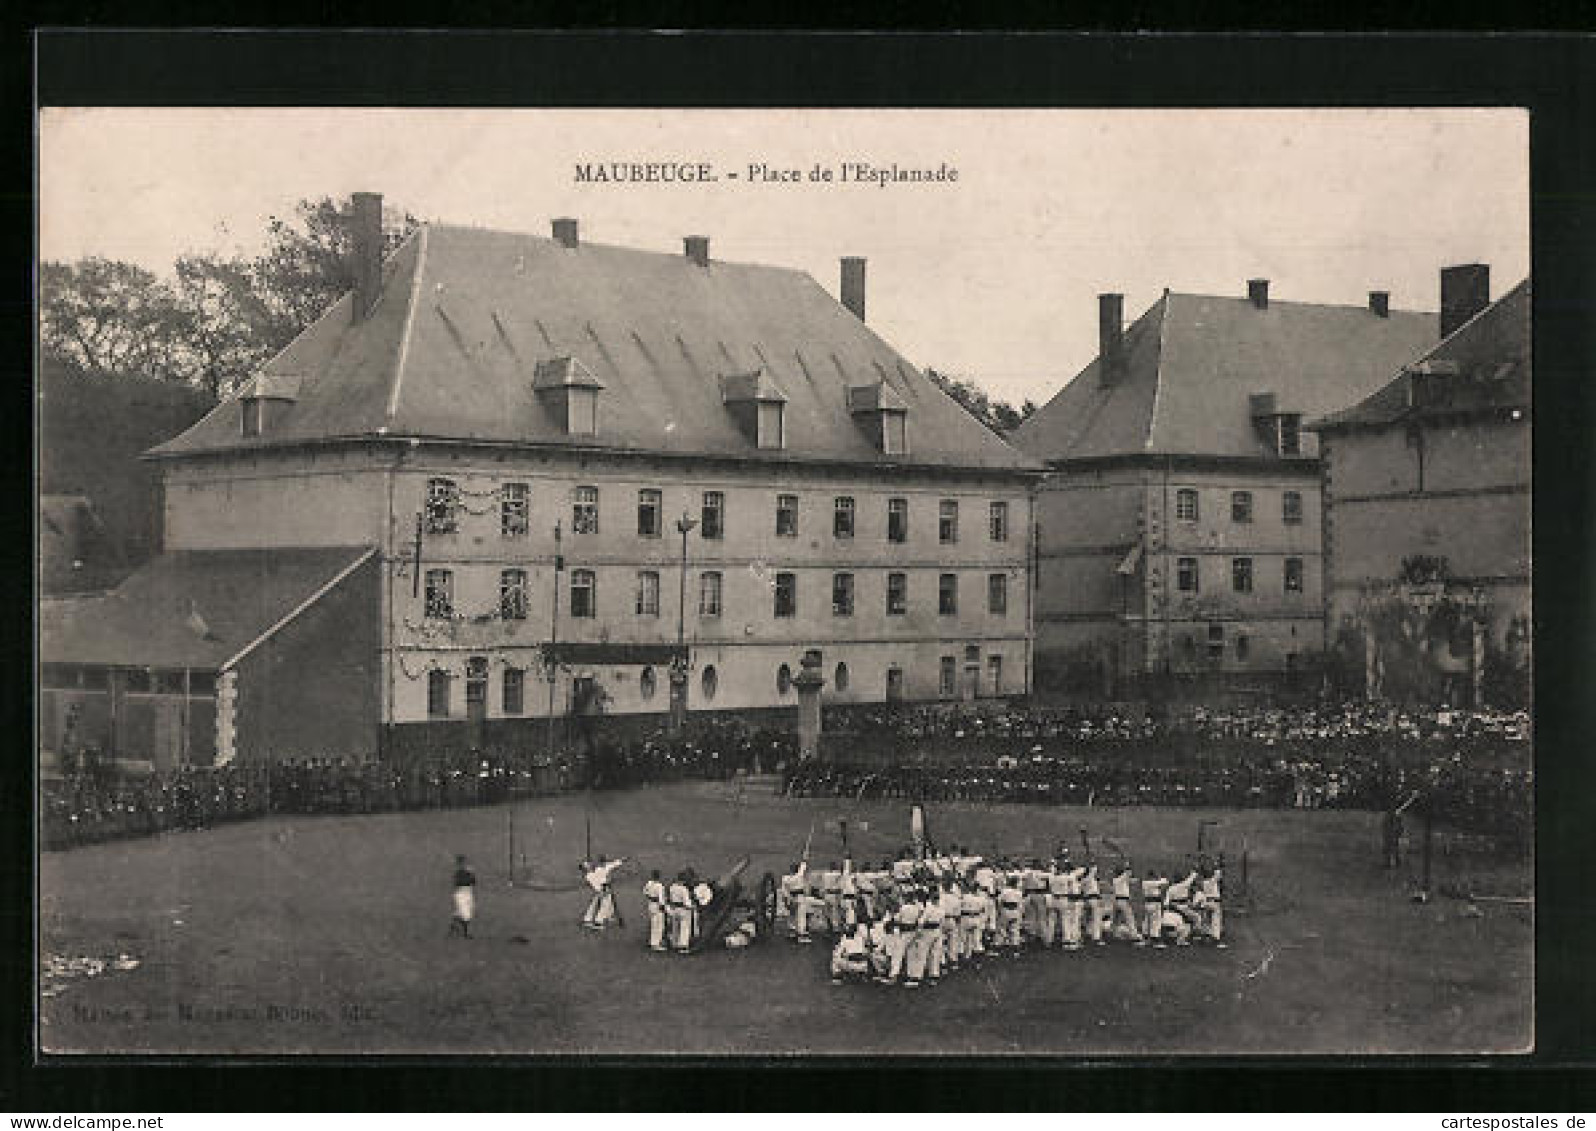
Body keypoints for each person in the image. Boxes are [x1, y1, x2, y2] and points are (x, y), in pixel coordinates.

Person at [581, 855, 628, 930]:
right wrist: (604, 889)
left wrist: (624, 859)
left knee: (601, 903)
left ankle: (590, 919)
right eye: (588, 866)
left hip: (604, 888)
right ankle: (598, 922)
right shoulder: (591, 875)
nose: (590, 866)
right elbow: (599, 883)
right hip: (601, 889)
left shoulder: (598, 870)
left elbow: (616, 863)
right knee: (605, 904)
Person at [667, 872, 694, 953]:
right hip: (683, 910)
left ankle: (674, 943)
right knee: (684, 927)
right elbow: (686, 903)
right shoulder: (683, 889)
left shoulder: (672, 887)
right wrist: (692, 907)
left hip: (674, 909)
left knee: (675, 927)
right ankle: (683, 946)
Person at [450, 855, 476, 939]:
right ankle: (466, 933)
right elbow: (459, 883)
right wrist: (469, 874)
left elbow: (474, 882)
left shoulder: (468, 871)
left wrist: (472, 874)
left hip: (469, 892)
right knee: (466, 914)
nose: (463, 864)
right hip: (461, 893)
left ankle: (454, 925)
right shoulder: (458, 873)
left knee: (468, 912)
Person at [643, 869, 667, 952]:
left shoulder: (649, 883)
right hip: (657, 906)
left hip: (650, 905)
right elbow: (661, 899)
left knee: (653, 923)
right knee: (658, 926)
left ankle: (651, 941)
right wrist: (663, 907)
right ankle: (656, 944)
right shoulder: (660, 886)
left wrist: (650, 897)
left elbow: (645, 892)